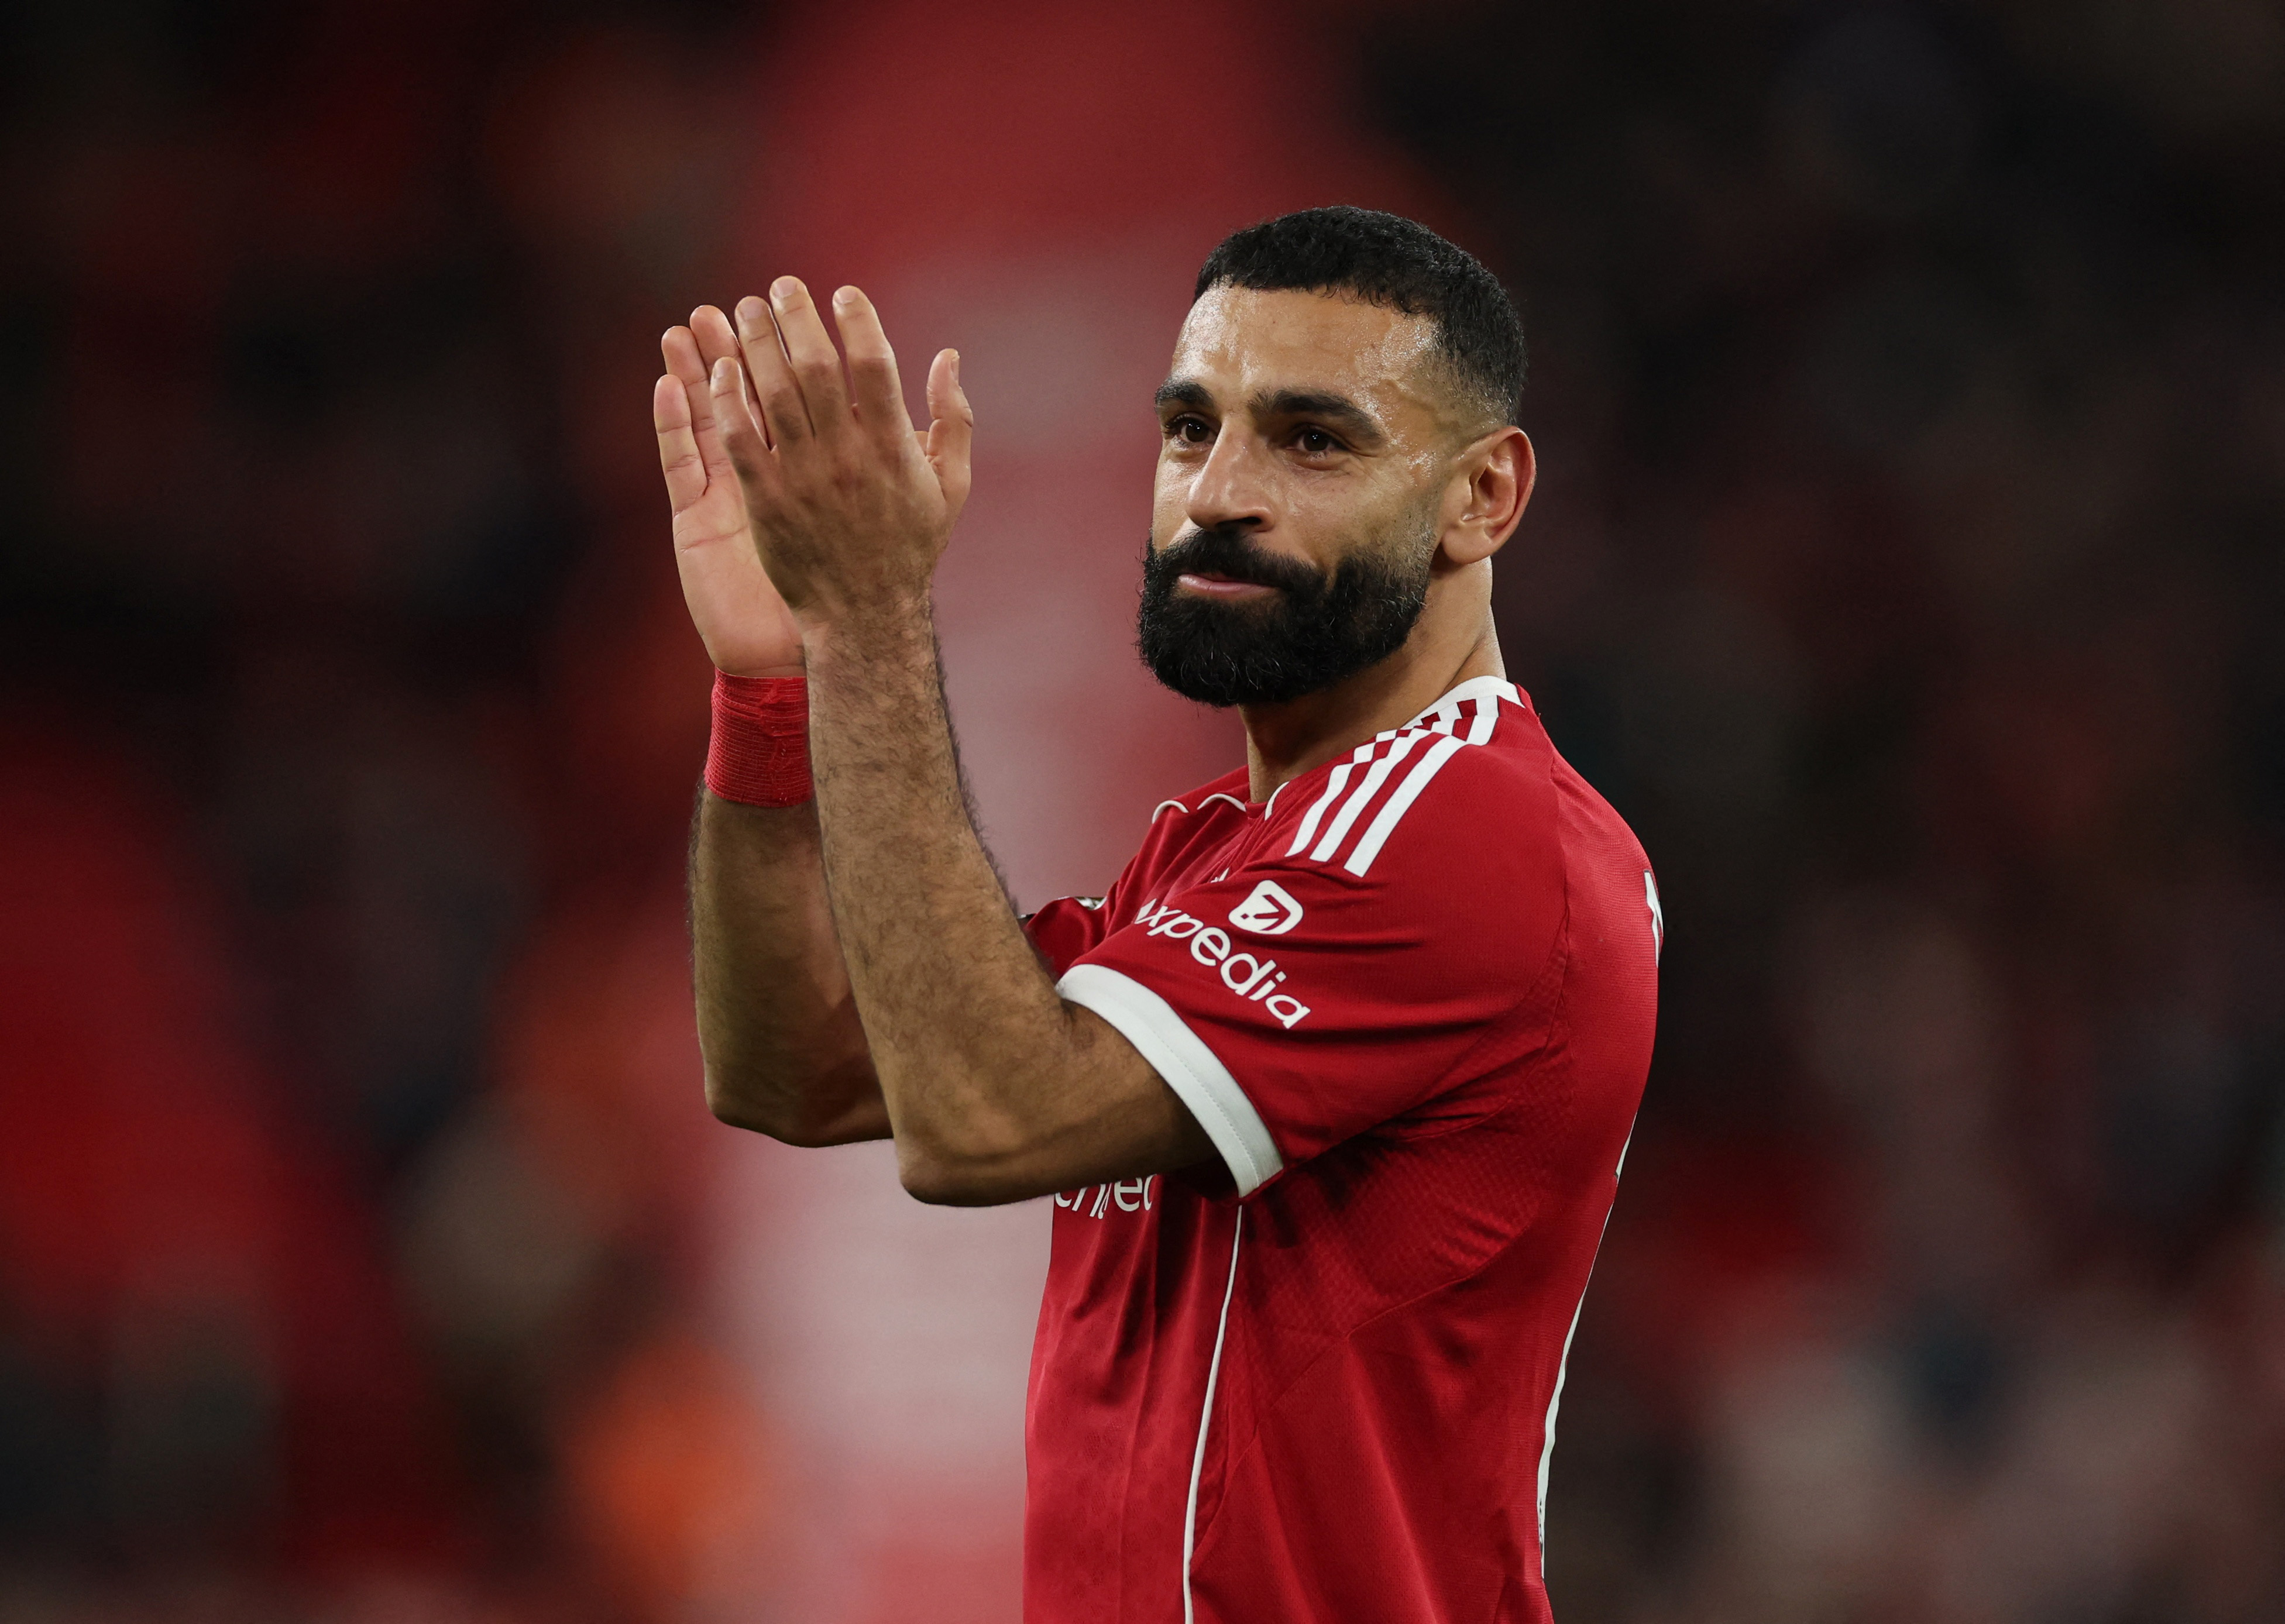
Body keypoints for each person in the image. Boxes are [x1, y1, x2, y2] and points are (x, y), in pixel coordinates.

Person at [652, 207, 1659, 1623]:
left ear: (1483, 497)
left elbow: (982, 1119)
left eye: (1315, 441)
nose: (1219, 493)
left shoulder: (1473, 834)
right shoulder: (1217, 854)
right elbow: (796, 1069)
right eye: (1192, 429)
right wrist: (776, 681)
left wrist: (875, 612)